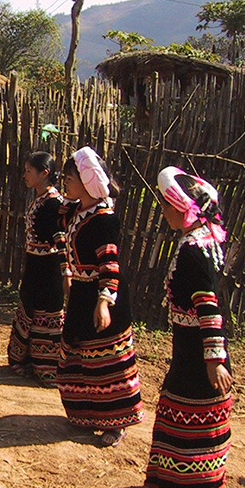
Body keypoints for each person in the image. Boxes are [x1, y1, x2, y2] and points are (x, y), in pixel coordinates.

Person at [138, 166, 233, 488]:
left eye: (165, 205)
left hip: (197, 353)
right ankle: (177, 487)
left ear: (182, 207)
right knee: (180, 409)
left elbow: (208, 304)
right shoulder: (206, 239)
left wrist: (214, 359)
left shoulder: (195, 250)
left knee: (189, 411)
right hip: (190, 347)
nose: (163, 212)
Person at [58, 146, 143, 447]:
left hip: (100, 295)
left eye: (70, 177)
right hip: (81, 292)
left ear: (86, 180)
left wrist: (104, 302)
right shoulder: (74, 212)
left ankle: (116, 421)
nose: (65, 182)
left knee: (107, 360)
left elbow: (110, 263)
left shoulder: (103, 219)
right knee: (78, 353)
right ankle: (87, 415)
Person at [7, 152, 67, 385]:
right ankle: (28, 360)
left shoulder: (53, 203)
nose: (25, 175)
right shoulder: (40, 199)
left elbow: (60, 239)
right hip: (35, 262)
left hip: (48, 266)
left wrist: (65, 271)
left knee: (46, 309)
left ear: (44, 173)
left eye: (29, 171)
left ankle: (46, 367)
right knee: (30, 304)